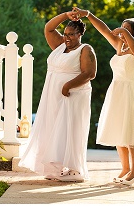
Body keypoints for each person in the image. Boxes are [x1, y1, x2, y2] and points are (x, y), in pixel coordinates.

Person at [70, 7, 134, 186]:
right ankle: (125, 168)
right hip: (117, 91)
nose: (122, 32)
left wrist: (122, 31)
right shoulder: (120, 47)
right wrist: (89, 15)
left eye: (127, 30)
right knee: (118, 130)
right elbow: (104, 30)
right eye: (122, 29)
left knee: (132, 131)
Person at [18, 12, 97, 182]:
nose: (67, 37)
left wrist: (68, 85)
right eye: (66, 34)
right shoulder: (60, 46)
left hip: (74, 95)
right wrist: (67, 15)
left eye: (71, 34)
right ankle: (56, 168)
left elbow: (90, 73)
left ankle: (75, 170)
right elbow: (49, 28)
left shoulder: (85, 49)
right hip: (52, 95)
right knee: (54, 129)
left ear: (80, 34)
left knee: (71, 129)